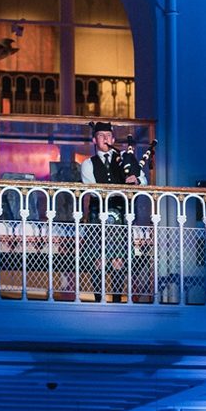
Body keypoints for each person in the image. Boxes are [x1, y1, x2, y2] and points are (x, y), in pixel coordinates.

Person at [78, 121, 148, 303]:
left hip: (120, 215)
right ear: (95, 140)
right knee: (97, 259)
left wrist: (136, 181)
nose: (105, 139)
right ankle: (98, 299)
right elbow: (92, 189)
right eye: (101, 136)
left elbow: (143, 180)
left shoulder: (125, 158)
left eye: (108, 136)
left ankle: (117, 299)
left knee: (119, 259)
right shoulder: (87, 164)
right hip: (97, 215)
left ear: (113, 139)